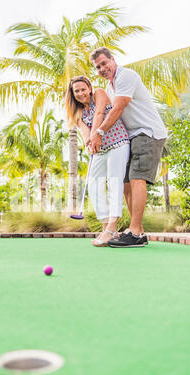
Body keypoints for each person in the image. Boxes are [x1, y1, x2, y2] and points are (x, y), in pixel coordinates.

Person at [89, 47, 167, 248]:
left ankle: (134, 230)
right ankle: (138, 232)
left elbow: (118, 108)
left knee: (136, 178)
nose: (102, 69)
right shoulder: (109, 87)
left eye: (104, 63)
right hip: (131, 136)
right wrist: (92, 135)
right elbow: (103, 113)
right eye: (98, 67)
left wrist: (99, 132)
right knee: (125, 183)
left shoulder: (126, 76)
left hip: (147, 132)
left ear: (113, 60)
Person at [65, 75, 130, 247]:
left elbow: (99, 114)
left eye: (82, 89)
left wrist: (95, 135)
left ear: (89, 87)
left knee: (114, 181)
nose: (80, 93)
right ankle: (106, 226)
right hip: (100, 150)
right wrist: (89, 142)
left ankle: (111, 227)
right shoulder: (77, 112)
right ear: (72, 94)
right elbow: (85, 132)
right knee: (94, 183)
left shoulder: (99, 94)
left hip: (118, 143)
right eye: (76, 91)